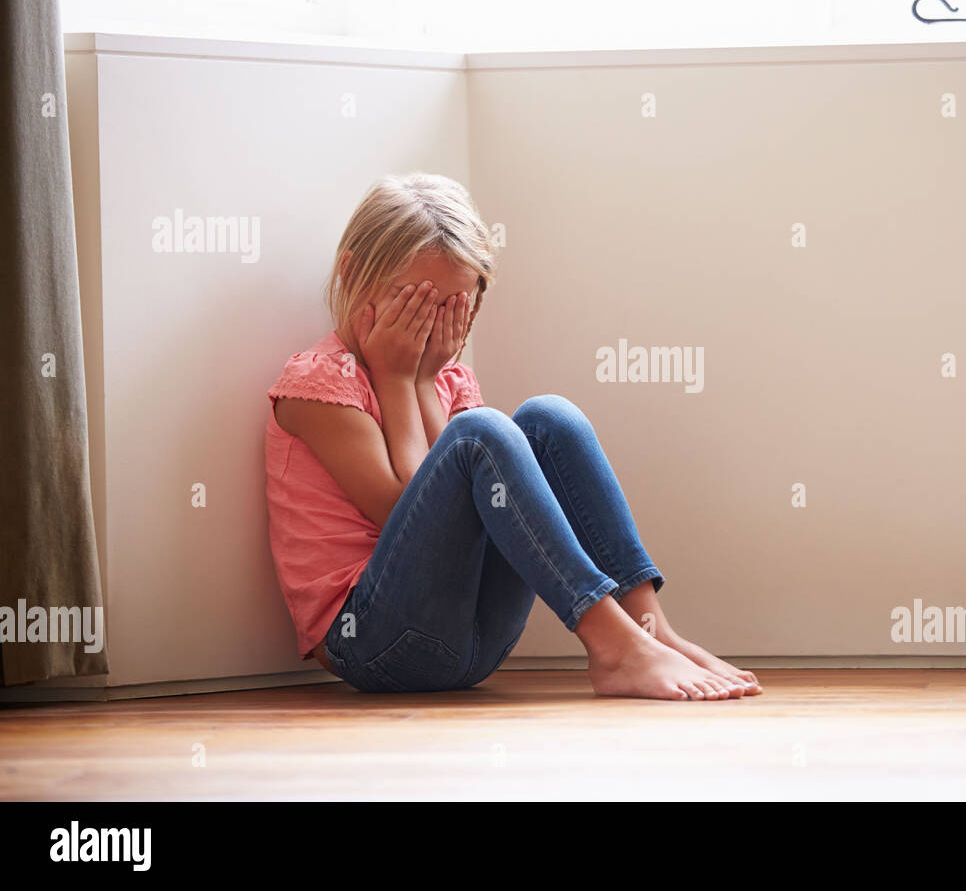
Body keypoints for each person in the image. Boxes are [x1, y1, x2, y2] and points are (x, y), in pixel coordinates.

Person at [263, 173, 761, 700]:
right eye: (415, 303)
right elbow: (403, 514)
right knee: (480, 432)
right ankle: (614, 647)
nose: (432, 329)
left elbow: (470, 514)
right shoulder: (319, 384)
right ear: (354, 273)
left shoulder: (449, 379)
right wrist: (397, 379)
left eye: (452, 309)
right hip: (373, 641)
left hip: (476, 640)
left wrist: (426, 380)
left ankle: (649, 632)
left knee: (548, 419)